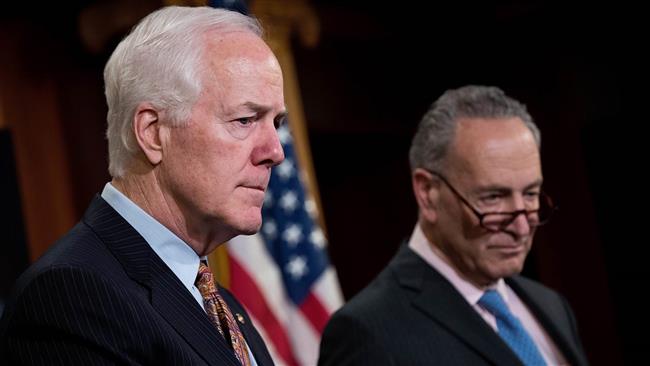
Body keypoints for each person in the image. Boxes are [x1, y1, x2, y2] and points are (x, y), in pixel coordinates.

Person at [0, 6, 286, 365]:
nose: (275, 152)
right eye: (245, 119)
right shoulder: (71, 297)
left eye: (277, 122)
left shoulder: (222, 305)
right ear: (152, 133)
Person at [318, 85, 589, 366]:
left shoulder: (552, 307)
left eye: (531, 194)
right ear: (428, 192)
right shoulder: (368, 332)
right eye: (493, 198)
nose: (521, 227)